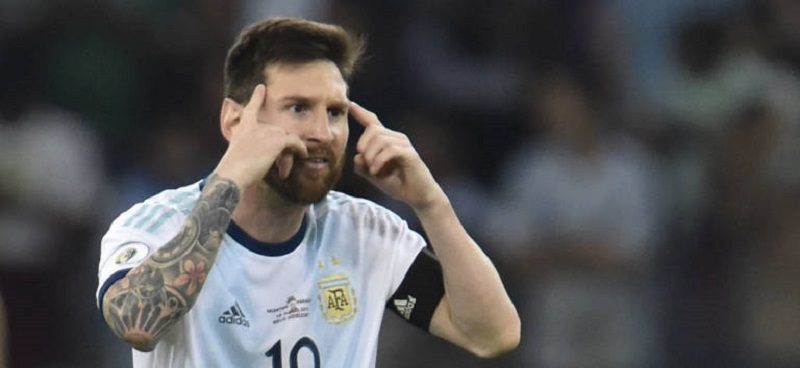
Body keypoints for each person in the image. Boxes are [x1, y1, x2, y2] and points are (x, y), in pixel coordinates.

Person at [95, 17, 520, 367]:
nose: (322, 133)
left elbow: (492, 335)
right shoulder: (157, 223)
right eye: (298, 108)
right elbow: (137, 324)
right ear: (235, 122)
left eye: (335, 112)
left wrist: (432, 204)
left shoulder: (364, 232)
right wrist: (231, 178)